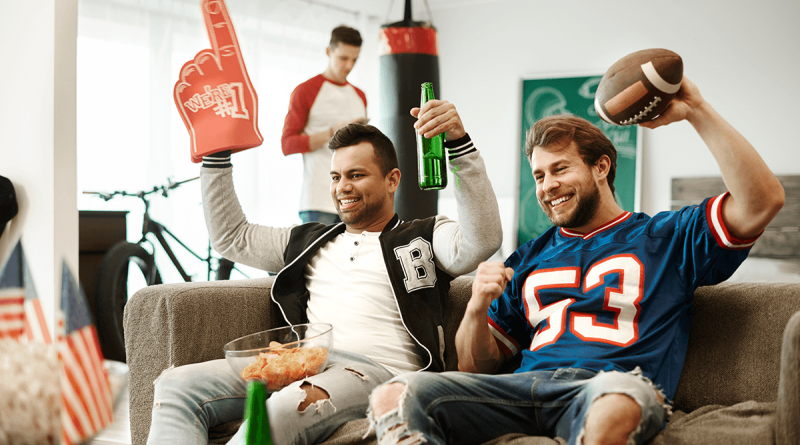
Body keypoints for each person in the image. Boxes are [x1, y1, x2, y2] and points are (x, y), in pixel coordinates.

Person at [366, 77, 785, 445]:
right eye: (539, 175)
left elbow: (762, 201)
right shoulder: (529, 256)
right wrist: (477, 305)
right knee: (393, 395)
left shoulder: (667, 236)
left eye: (560, 169)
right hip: (522, 390)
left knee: (616, 405)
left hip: (608, 389)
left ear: (601, 166)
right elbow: (478, 364)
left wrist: (697, 111)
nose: (548, 187)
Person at [146, 99, 503, 444]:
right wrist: (216, 151)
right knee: (175, 385)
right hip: (302, 360)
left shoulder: (423, 236)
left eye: (356, 175)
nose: (342, 187)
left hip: (376, 372)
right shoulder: (308, 240)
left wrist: (459, 144)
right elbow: (232, 238)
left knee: (276, 413)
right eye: (335, 176)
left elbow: (480, 241)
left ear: (392, 180)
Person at [281, 25, 369, 225]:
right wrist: (335, 132)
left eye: (354, 60)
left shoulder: (360, 96)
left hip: (355, 199)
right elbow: (288, 144)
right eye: (343, 58)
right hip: (319, 199)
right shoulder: (305, 91)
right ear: (329, 51)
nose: (349, 66)